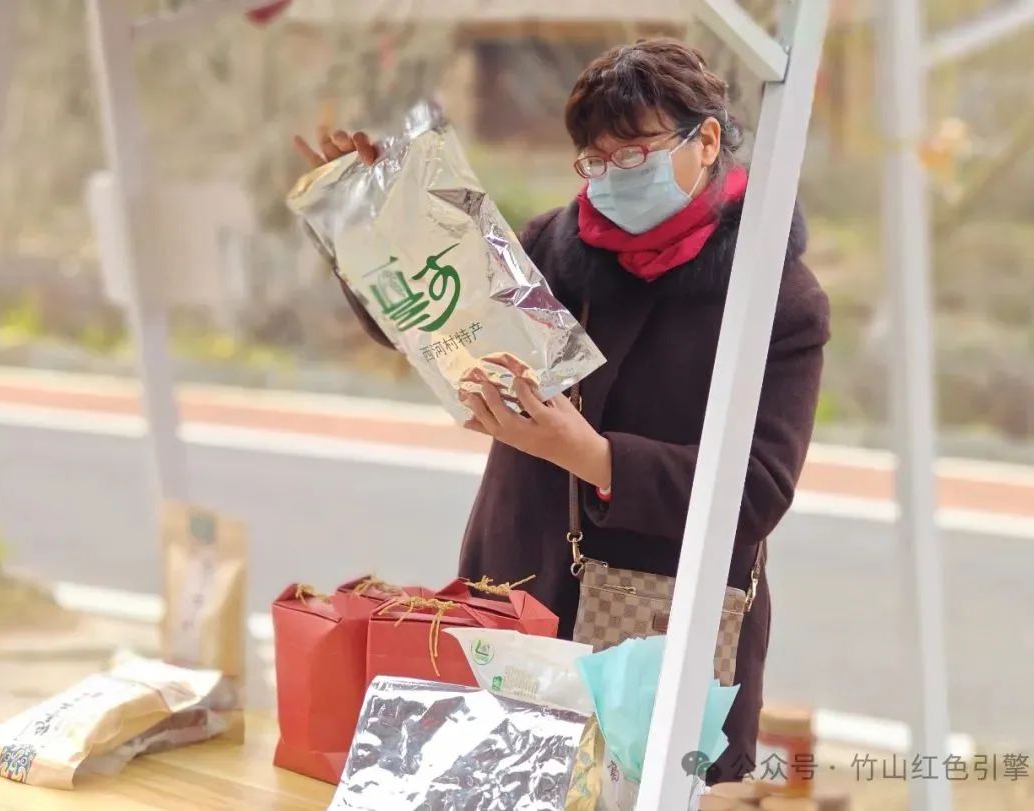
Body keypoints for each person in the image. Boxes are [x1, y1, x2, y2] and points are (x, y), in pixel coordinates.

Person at [294, 38, 830, 784]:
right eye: (595, 159)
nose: (612, 175)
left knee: (644, 786)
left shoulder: (776, 297)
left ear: (707, 141)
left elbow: (756, 491)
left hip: (658, 628)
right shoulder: (552, 246)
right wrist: (366, 217)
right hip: (518, 589)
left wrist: (592, 455)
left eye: (634, 152)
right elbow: (435, 320)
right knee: (499, 783)